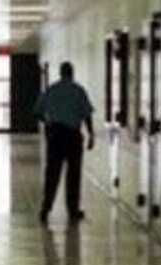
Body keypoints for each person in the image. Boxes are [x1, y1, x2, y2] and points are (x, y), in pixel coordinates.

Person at [34, 61, 95, 224]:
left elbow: (37, 111)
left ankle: (45, 209)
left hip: (55, 136)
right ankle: (73, 210)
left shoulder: (51, 90)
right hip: (73, 136)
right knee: (73, 174)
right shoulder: (78, 90)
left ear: (60, 73)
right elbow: (87, 114)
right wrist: (91, 134)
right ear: (72, 73)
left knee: (52, 173)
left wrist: (48, 123)